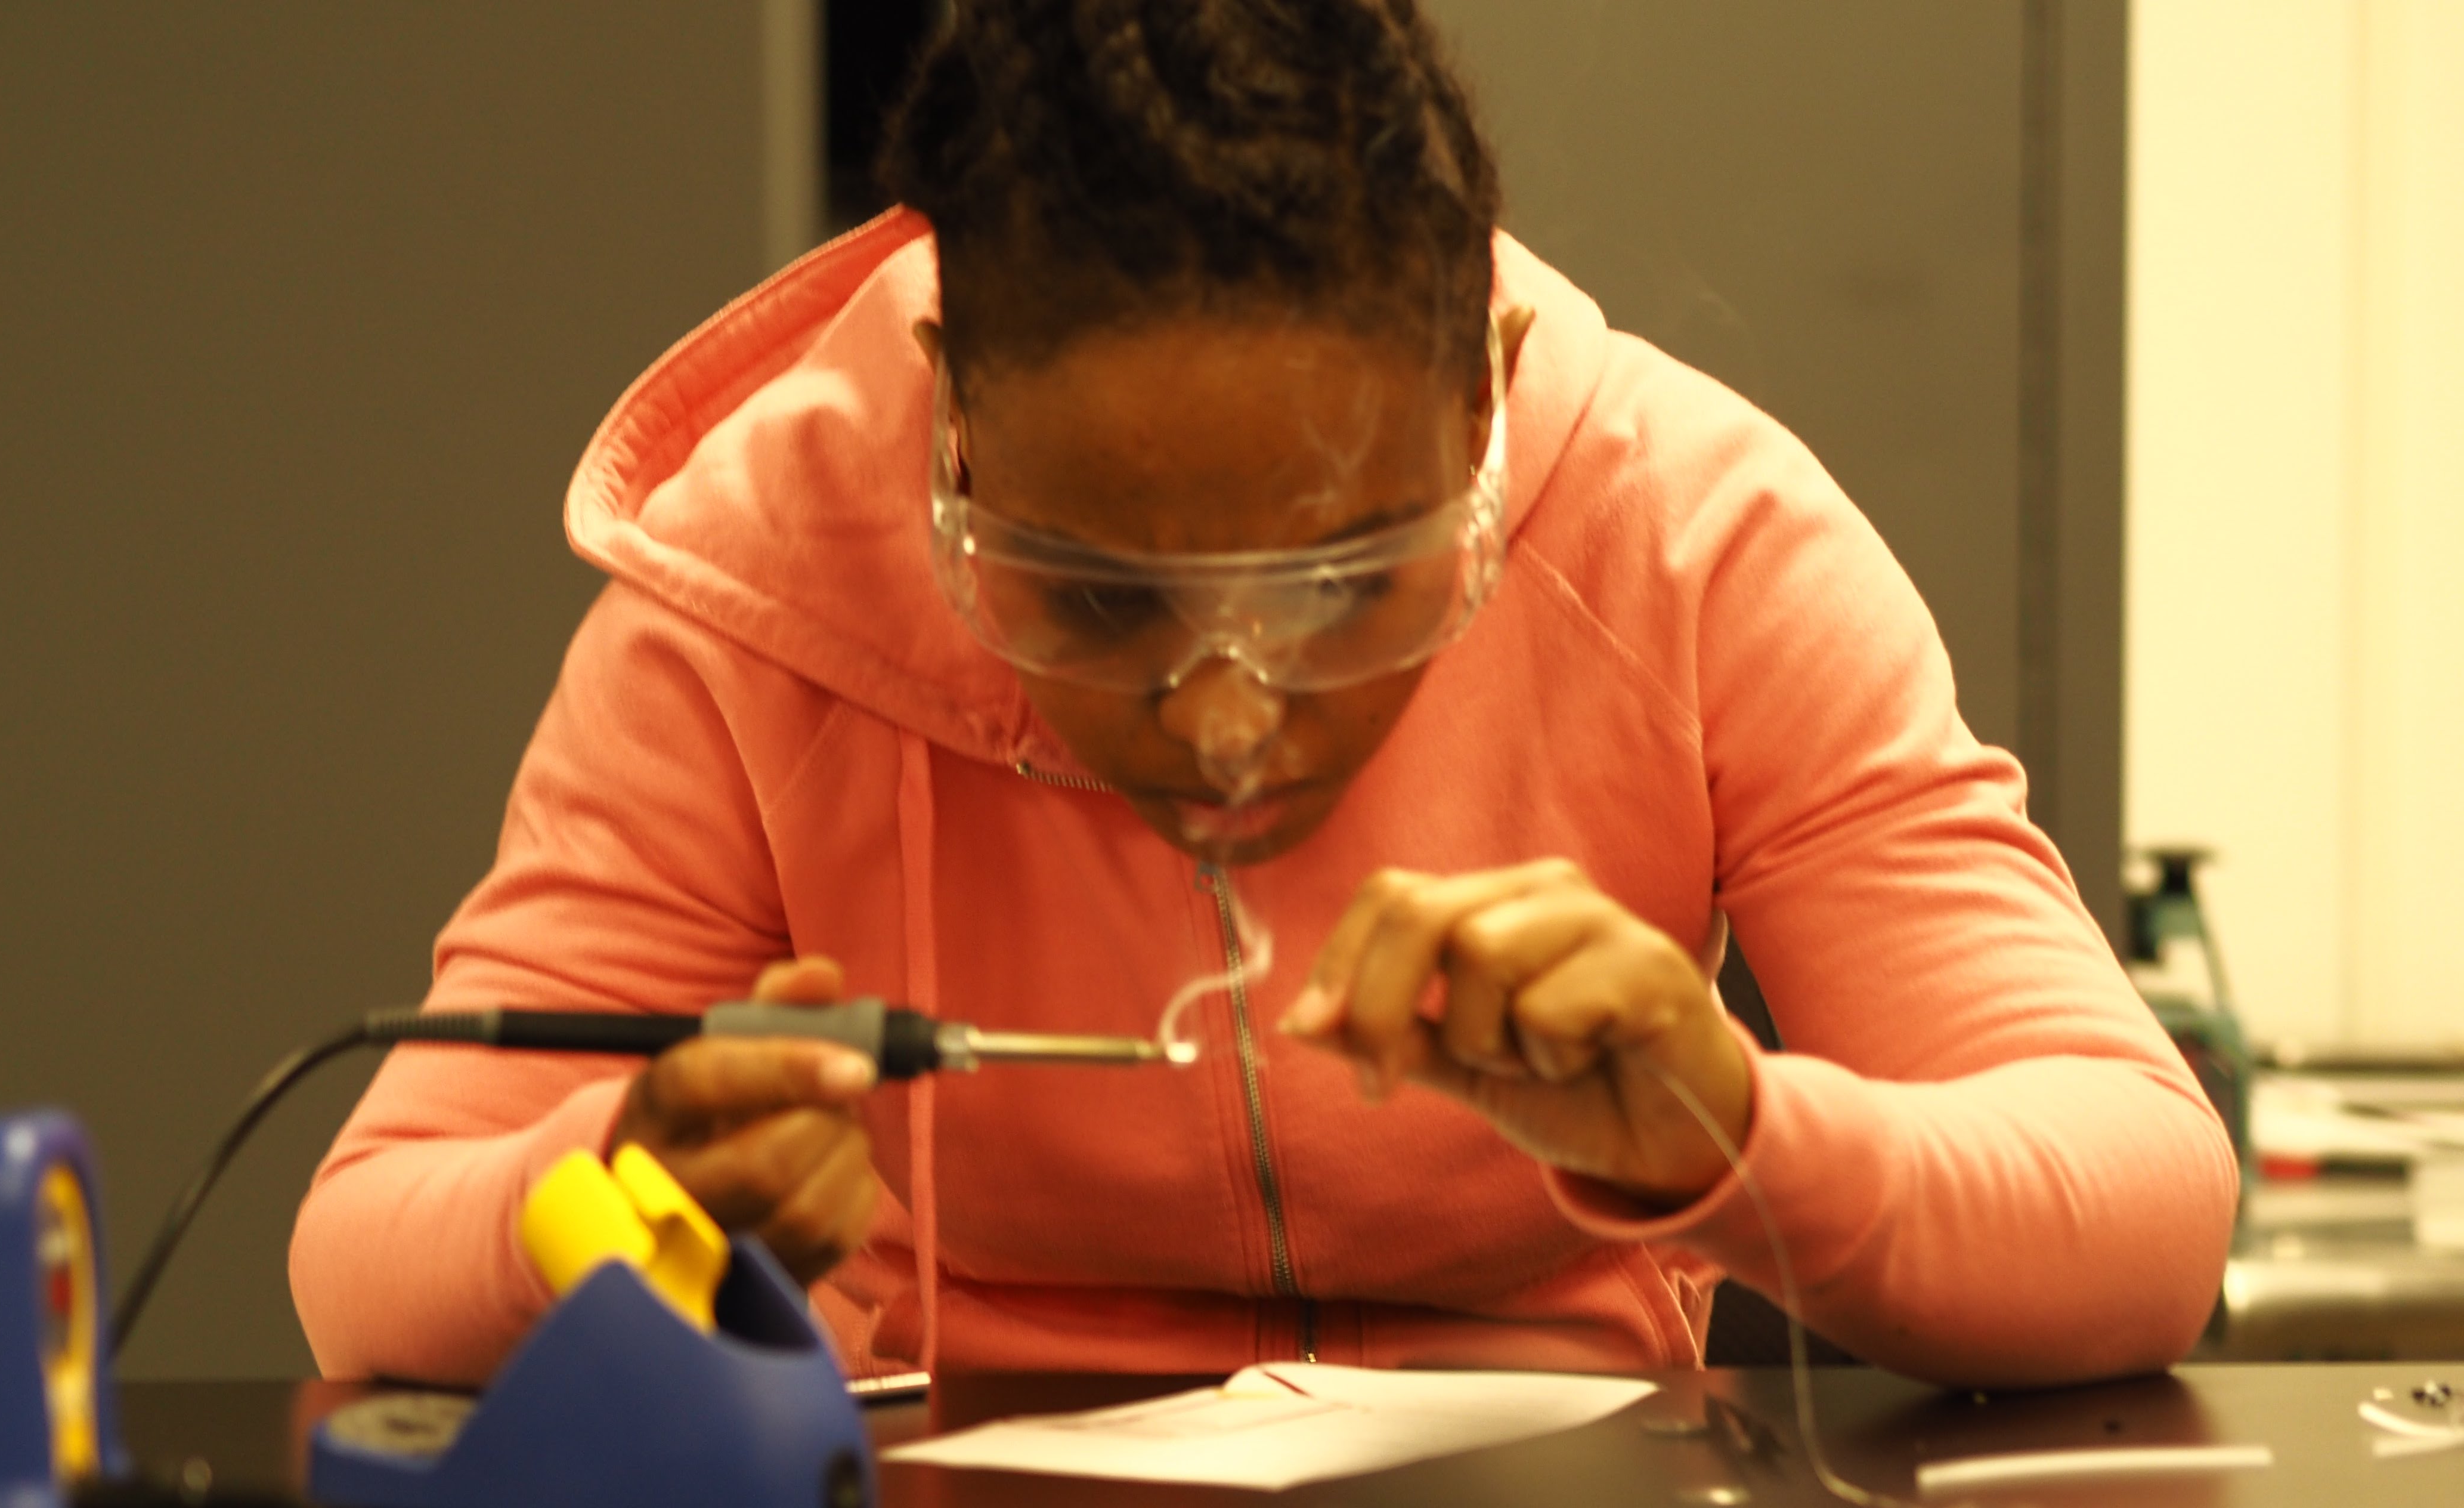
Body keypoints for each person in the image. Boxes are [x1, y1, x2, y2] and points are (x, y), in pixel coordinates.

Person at [287, 0, 2235, 1392]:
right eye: (1097, 598)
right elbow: (369, 1256)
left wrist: (1729, 1133)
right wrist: (619, 1187)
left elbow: (2138, 1208)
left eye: (1338, 585)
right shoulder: (754, 593)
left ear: (1488, 395)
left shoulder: (1694, 540)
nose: (1228, 712)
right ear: (950, 415)